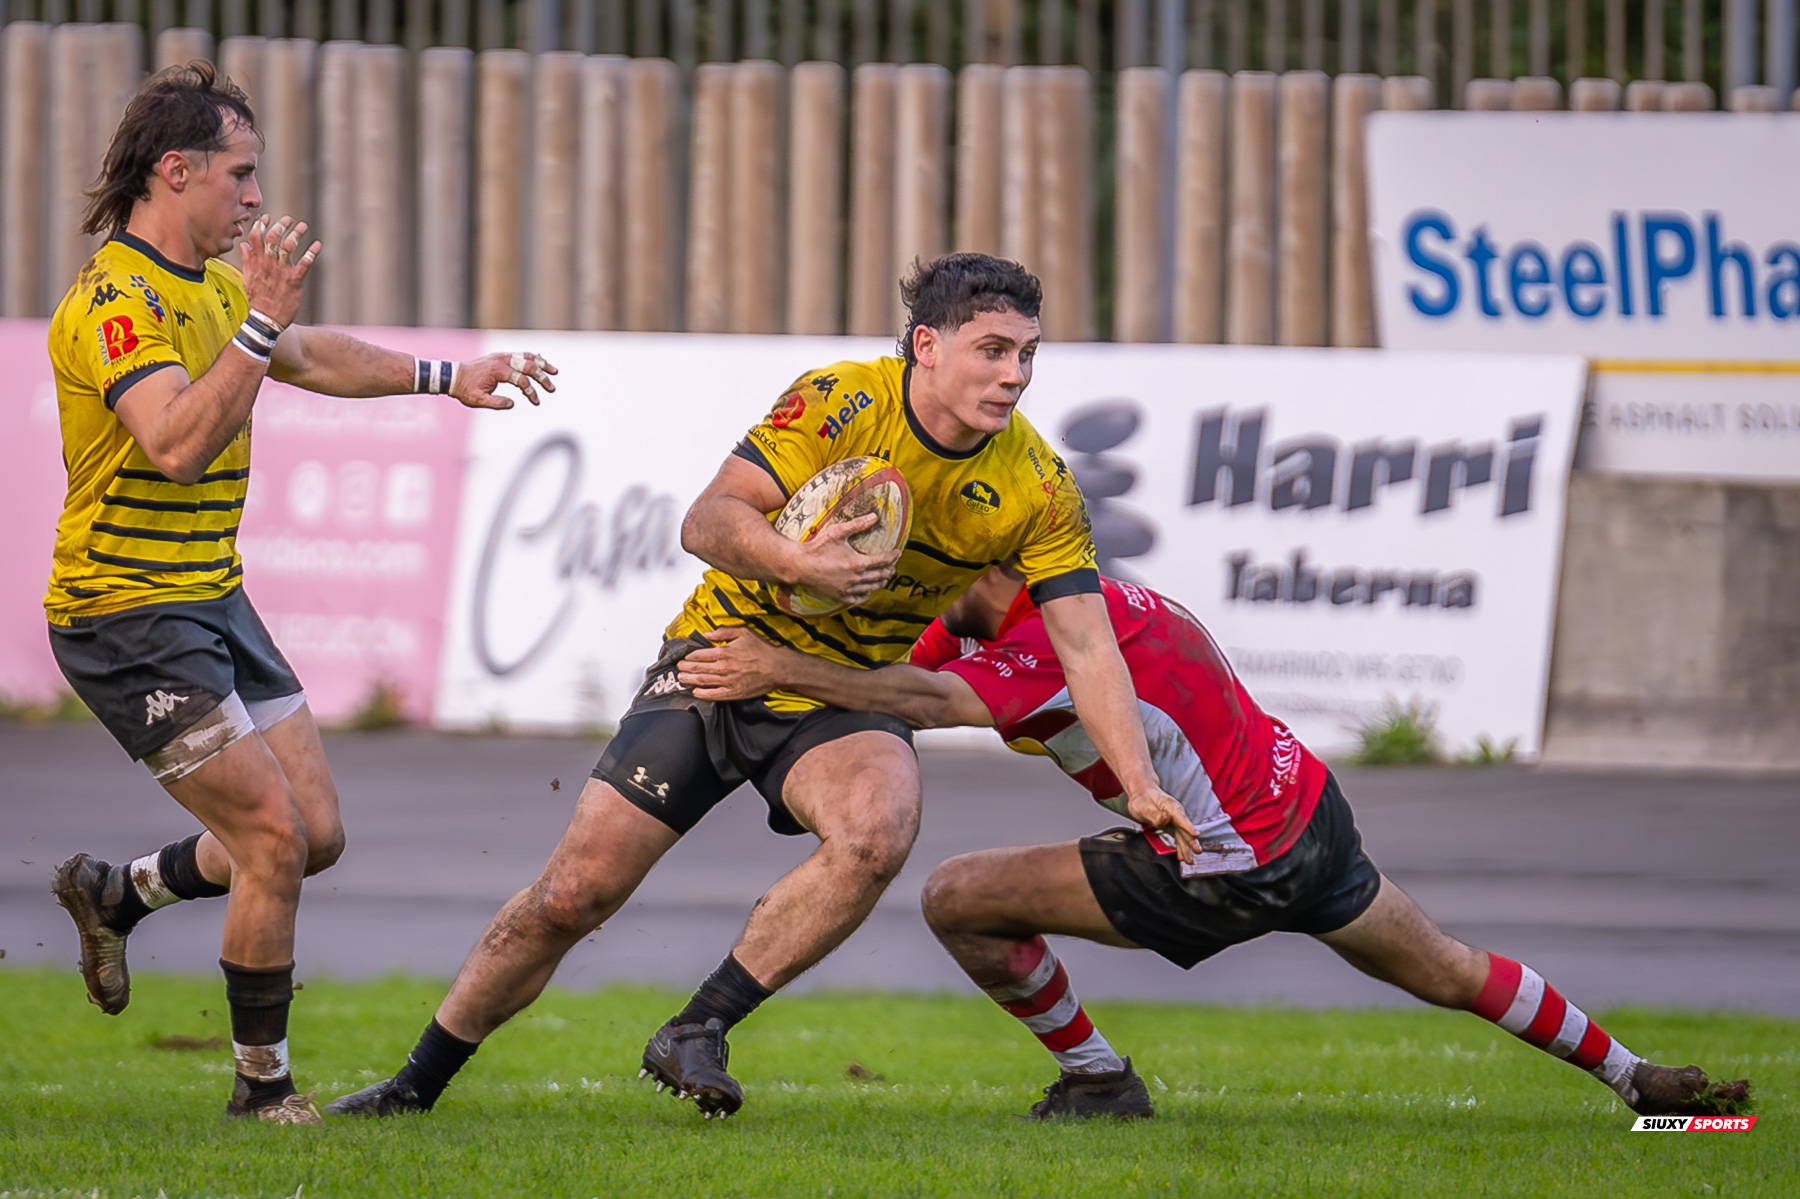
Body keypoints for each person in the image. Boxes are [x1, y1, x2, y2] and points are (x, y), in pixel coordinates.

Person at [328, 253, 1194, 1121]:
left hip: (842, 692)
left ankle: (700, 1025)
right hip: (719, 657)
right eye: (993, 350)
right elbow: (707, 520)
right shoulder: (841, 399)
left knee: (878, 827)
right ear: (926, 346)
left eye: (1027, 354)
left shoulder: (1036, 485)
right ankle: (415, 1085)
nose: (1014, 376)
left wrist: (1141, 781)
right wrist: (798, 562)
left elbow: (1089, 649)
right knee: (573, 894)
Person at [673, 563, 1754, 1121]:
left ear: (981, 566)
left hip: (1230, 862)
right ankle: (1635, 1077)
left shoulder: (1041, 649)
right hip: (1308, 807)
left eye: (932, 558)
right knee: (1454, 969)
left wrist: (787, 670)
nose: (915, 570)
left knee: (957, 895)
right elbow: (923, 651)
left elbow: (923, 693)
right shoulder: (1081, 590)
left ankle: (1098, 1079)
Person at [45, 63, 557, 1124]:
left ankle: (118, 890)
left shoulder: (217, 289)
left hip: (211, 596)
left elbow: (307, 355)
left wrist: (444, 378)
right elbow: (179, 442)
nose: (253, 198)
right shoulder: (112, 302)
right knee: (271, 841)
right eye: (239, 176)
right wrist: (259, 327)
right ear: (173, 172)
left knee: (312, 833)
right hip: (123, 612)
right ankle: (260, 1089)